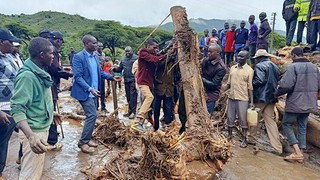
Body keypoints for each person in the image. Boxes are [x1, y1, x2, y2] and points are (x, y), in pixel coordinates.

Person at [10, 37, 55, 180]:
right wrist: (31, 136)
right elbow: (17, 108)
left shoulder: (38, 72)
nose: (53, 57)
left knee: (34, 171)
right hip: (34, 131)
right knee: (30, 175)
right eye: (51, 54)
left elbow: (36, 100)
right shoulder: (27, 76)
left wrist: (50, 112)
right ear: (41, 55)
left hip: (41, 126)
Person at [71, 35, 116, 153]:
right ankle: (83, 142)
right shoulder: (78, 57)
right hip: (85, 92)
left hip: (95, 91)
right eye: (94, 43)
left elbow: (100, 72)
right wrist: (89, 88)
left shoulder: (95, 56)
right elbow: (78, 77)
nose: (96, 45)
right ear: (86, 44)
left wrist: (111, 77)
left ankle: (88, 138)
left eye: (96, 43)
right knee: (92, 115)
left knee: (93, 115)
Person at [275, 47, 320, 162]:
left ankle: (297, 152)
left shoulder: (293, 67)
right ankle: (301, 153)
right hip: (309, 103)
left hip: (295, 102)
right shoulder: (314, 67)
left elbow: (285, 85)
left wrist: (276, 94)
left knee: (286, 124)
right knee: (302, 126)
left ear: (294, 55)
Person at [249, 49, 283, 155]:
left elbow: (259, 80)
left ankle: (251, 138)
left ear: (259, 58)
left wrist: (249, 84)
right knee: (270, 121)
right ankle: (277, 147)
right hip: (272, 97)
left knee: (254, 118)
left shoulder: (260, 66)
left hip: (261, 97)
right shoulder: (275, 67)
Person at [131, 38, 164, 132]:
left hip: (148, 82)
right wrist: (164, 55)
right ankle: (137, 121)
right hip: (143, 82)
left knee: (146, 103)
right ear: (148, 46)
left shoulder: (151, 54)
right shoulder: (143, 53)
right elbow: (155, 59)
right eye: (154, 47)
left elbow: (157, 56)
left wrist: (165, 52)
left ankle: (139, 123)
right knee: (150, 97)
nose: (156, 49)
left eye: (157, 48)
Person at [0, 28, 21, 180]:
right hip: (1, 108)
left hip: (10, 106)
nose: (13, 45)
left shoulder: (8, 57)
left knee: (3, 141)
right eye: (9, 42)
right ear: (1, 42)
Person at [47, 31, 73, 149]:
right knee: (51, 112)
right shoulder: (51, 51)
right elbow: (55, 69)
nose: (60, 44)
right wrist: (69, 74)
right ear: (57, 40)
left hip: (52, 85)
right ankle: (52, 141)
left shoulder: (49, 49)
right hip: (50, 87)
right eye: (60, 41)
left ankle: (50, 136)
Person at [224, 50, 254, 148]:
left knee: (243, 120)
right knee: (230, 117)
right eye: (238, 56)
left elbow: (250, 87)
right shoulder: (233, 68)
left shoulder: (249, 70)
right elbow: (228, 83)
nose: (239, 58)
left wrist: (251, 102)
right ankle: (229, 136)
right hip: (232, 97)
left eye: (242, 57)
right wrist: (222, 91)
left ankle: (245, 139)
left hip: (243, 98)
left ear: (246, 58)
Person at [153, 41, 176, 131]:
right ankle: (155, 126)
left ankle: (167, 125)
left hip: (169, 89)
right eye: (169, 48)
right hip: (159, 87)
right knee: (156, 108)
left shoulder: (175, 59)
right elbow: (160, 64)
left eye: (172, 48)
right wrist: (169, 54)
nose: (171, 50)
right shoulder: (160, 58)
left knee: (168, 109)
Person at [113, 46, 138, 119]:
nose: (127, 53)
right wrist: (114, 69)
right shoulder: (123, 59)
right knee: (128, 96)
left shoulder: (136, 58)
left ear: (132, 51)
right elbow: (120, 69)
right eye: (126, 51)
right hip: (126, 80)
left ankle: (133, 112)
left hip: (134, 79)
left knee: (133, 96)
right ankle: (130, 111)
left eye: (129, 51)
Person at [201, 44, 227, 117]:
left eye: (211, 52)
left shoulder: (221, 68)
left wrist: (201, 79)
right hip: (202, 88)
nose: (208, 54)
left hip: (211, 92)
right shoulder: (206, 60)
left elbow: (214, 84)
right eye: (208, 52)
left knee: (207, 115)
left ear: (218, 53)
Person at [96, 42, 108, 112]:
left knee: (102, 91)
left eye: (102, 47)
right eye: (99, 47)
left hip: (102, 74)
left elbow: (103, 65)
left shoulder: (103, 54)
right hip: (95, 75)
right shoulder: (94, 54)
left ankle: (103, 107)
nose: (100, 48)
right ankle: (96, 106)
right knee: (96, 91)